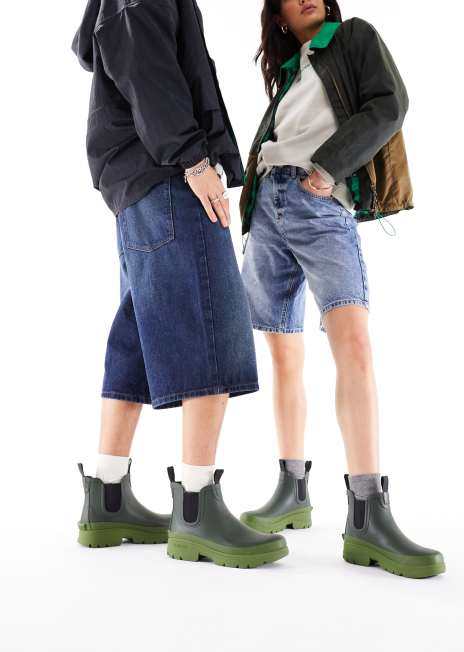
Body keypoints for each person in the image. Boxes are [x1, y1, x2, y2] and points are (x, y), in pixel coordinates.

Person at [71, 0, 288, 568]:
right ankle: (196, 507)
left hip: (139, 180)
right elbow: (148, 68)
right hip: (168, 174)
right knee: (210, 322)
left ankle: (107, 496)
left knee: (138, 334)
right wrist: (193, 160)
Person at [238, 0, 445, 578]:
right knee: (283, 353)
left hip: (319, 201)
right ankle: (292, 491)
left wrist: (328, 169)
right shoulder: (287, 72)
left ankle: (366, 514)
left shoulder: (352, 36)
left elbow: (389, 104)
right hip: (268, 206)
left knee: (352, 344)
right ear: (279, 18)